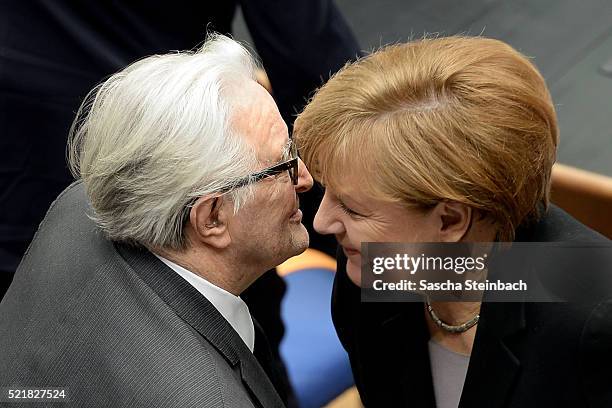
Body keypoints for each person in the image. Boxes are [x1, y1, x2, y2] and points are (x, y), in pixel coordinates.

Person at [294, 36, 612, 407]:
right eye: (328, 192)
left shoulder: (594, 322)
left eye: (353, 208)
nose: (321, 222)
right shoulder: (370, 269)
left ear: (449, 221)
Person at [0, 35, 313, 407]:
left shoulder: (78, 205)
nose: (306, 178)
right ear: (212, 219)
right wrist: (395, 267)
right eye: (284, 164)